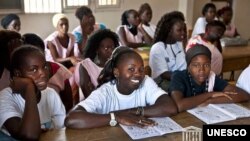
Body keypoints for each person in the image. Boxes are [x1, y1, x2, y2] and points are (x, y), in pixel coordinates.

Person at [64, 47, 177, 129]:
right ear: (116, 72)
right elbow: (71, 119)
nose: (138, 74)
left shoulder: (145, 81)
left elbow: (169, 107)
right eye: (131, 69)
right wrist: (116, 117)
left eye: (141, 69)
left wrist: (133, 112)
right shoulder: (105, 92)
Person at [0, 45, 66, 140]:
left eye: (44, 67)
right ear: (18, 74)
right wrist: (29, 88)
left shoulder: (51, 94)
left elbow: (60, 131)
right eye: (33, 69)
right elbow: (29, 136)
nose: (43, 73)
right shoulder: (4, 98)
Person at [169, 44, 250, 112]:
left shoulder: (211, 77)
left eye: (206, 65)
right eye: (196, 65)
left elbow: (244, 95)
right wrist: (210, 95)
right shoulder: (178, 77)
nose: (202, 70)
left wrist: (210, 101)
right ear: (188, 66)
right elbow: (179, 105)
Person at [22, 33, 73, 112]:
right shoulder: (19, 76)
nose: (41, 73)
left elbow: (69, 102)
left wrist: (57, 115)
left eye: (39, 54)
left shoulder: (58, 69)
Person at [74, 29, 119, 101]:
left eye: (113, 48)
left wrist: (96, 90)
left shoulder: (117, 65)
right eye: (106, 48)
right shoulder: (85, 66)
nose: (111, 51)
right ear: (97, 49)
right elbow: (89, 96)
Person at [149, 11, 187, 91]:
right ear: (169, 31)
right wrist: (186, 78)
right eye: (179, 30)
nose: (183, 33)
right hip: (162, 84)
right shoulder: (158, 48)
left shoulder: (179, 44)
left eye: (184, 29)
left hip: (179, 80)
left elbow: (184, 67)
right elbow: (164, 74)